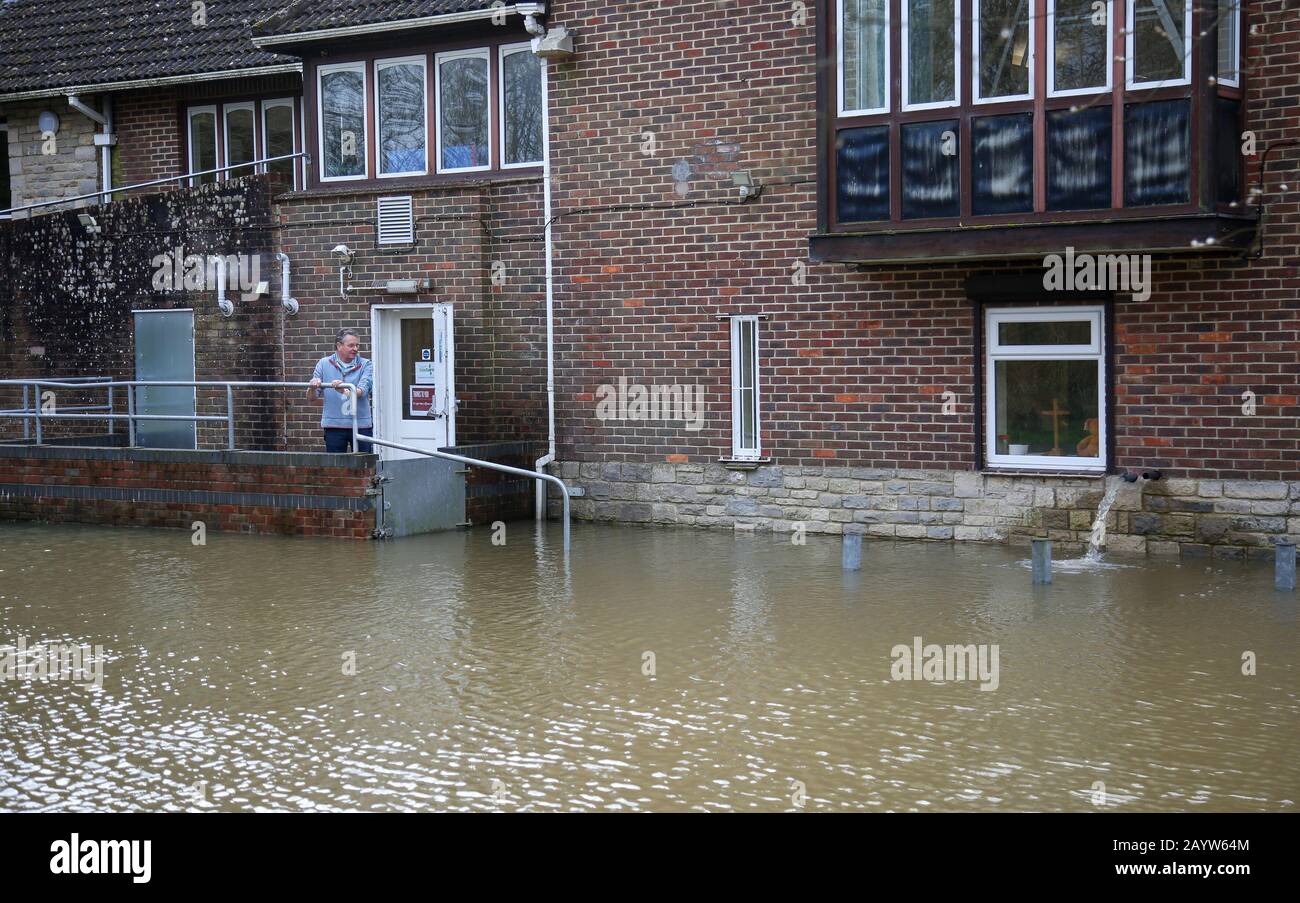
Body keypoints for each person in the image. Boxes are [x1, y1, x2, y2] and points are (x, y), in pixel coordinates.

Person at [309, 328, 373, 452]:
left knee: (363, 467)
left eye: (357, 345)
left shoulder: (366, 364)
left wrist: (343, 389)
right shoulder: (323, 363)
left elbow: (362, 390)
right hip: (334, 426)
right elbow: (311, 397)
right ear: (339, 346)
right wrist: (311, 387)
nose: (355, 349)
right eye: (351, 345)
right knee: (336, 467)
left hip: (361, 426)